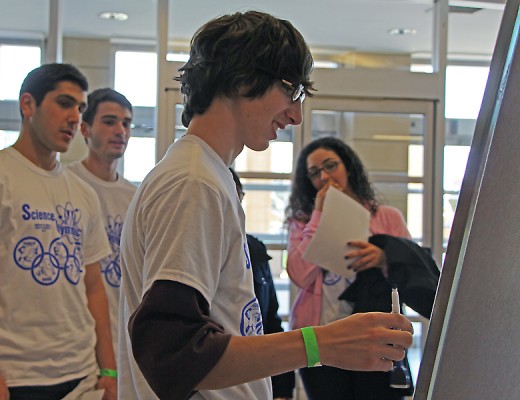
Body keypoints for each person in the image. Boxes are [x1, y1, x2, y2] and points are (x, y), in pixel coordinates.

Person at [118, 11, 414, 400]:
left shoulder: (208, 174)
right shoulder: (193, 182)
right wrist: (320, 344)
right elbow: (173, 351)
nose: (296, 115)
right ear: (243, 78)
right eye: (292, 92)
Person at [0, 63, 117, 400]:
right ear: (27, 105)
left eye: (80, 108)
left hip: (81, 376)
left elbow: (94, 287)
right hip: (13, 377)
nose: (74, 117)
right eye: (64, 103)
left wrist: (108, 370)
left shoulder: (83, 194)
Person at [285, 136, 413, 400]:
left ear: (348, 167)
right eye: (314, 173)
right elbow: (299, 274)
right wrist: (319, 213)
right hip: (322, 338)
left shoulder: (386, 217)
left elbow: (410, 273)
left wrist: (383, 258)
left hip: (376, 335)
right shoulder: (302, 222)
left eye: (331, 166)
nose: (324, 176)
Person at [67, 87, 137, 362]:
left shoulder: (135, 197)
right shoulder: (67, 184)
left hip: (126, 339)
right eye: (109, 122)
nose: (120, 130)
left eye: (126, 123)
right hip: (77, 342)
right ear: (85, 129)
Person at [229, 167, 296, 400]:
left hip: (257, 374)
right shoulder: (201, 252)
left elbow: (270, 320)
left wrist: (283, 388)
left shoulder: (255, 249)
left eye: (239, 198)